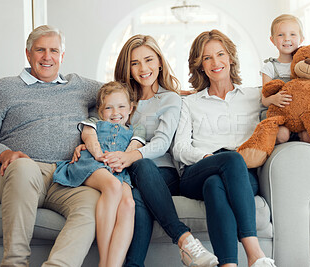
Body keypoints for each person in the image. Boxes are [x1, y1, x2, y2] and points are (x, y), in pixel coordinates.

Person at [73, 34, 218, 267]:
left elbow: (161, 143)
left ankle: (183, 239)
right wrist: (86, 144)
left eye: (149, 60)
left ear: (160, 62)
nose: (143, 68)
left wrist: (128, 157)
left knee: (142, 164)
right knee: (135, 199)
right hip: (125, 176)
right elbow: (100, 126)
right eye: (135, 63)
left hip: (160, 172)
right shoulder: (119, 99)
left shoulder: (170, 99)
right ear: (127, 68)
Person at [0, 25, 103, 267]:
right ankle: (14, 263)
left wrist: (90, 126)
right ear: (28, 54)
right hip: (22, 175)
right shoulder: (4, 89)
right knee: (24, 165)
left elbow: (120, 95)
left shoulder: (80, 86)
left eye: (54, 50)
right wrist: (4, 153)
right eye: (40, 50)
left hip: (67, 175)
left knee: (94, 203)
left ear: (62, 56)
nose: (47, 57)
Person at [173, 29, 276, 267]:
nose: (215, 62)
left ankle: (228, 264)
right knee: (227, 161)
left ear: (231, 58)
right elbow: (179, 148)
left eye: (220, 54)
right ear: (200, 65)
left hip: (241, 175)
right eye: (207, 58)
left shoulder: (255, 96)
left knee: (216, 183)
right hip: (197, 171)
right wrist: (210, 158)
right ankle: (254, 253)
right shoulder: (189, 103)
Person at [53, 81, 145, 267]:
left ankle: (114, 264)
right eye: (108, 107)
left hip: (120, 170)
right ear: (101, 111)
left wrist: (120, 159)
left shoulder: (137, 130)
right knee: (112, 186)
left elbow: (133, 149)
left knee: (128, 203)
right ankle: (104, 261)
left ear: (130, 109)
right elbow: (90, 139)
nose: (115, 112)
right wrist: (101, 156)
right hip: (93, 163)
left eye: (121, 106)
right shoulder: (94, 122)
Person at [260, 14, 310, 143]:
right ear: (272, 40)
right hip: (280, 116)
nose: (287, 39)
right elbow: (264, 101)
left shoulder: (306, 66)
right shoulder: (269, 67)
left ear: (301, 39)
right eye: (281, 35)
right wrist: (274, 99)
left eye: (292, 34)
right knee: (282, 135)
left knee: (309, 135)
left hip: (300, 116)